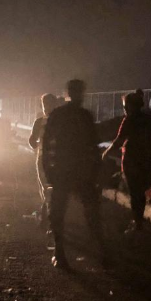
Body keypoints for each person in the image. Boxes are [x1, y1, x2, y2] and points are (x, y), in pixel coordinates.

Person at [42, 79, 102, 269]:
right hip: (82, 171)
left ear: (67, 92)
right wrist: (96, 170)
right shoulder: (85, 116)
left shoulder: (57, 115)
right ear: (82, 93)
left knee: (58, 211)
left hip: (61, 169)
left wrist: (47, 168)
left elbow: (45, 144)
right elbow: (94, 146)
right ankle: (100, 250)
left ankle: (59, 253)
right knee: (91, 209)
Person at [103, 89, 151, 233]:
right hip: (146, 159)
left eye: (126, 106)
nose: (125, 109)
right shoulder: (149, 119)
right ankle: (139, 220)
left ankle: (137, 222)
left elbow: (119, 140)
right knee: (141, 191)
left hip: (132, 159)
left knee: (134, 192)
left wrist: (106, 152)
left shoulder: (130, 120)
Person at [28, 93, 58, 227]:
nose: (46, 107)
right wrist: (37, 147)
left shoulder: (61, 122)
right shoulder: (39, 122)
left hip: (56, 159)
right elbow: (32, 139)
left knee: (52, 188)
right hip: (44, 159)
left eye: (49, 104)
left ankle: (47, 213)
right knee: (46, 187)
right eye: (44, 104)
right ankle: (48, 212)